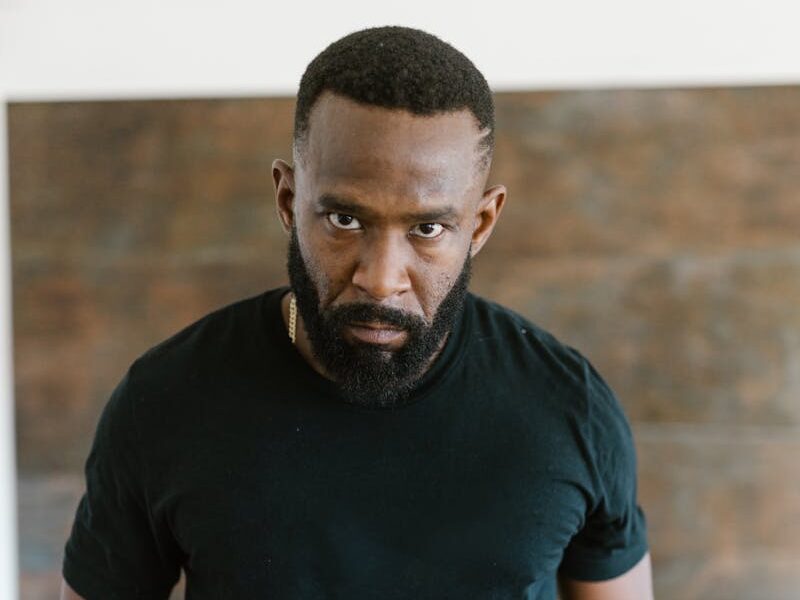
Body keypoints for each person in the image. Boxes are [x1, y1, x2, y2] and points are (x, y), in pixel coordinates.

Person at [60, 25, 652, 600]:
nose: (380, 278)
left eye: (427, 228)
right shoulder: (164, 401)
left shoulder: (569, 410)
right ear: (289, 201)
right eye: (345, 220)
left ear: (481, 224)